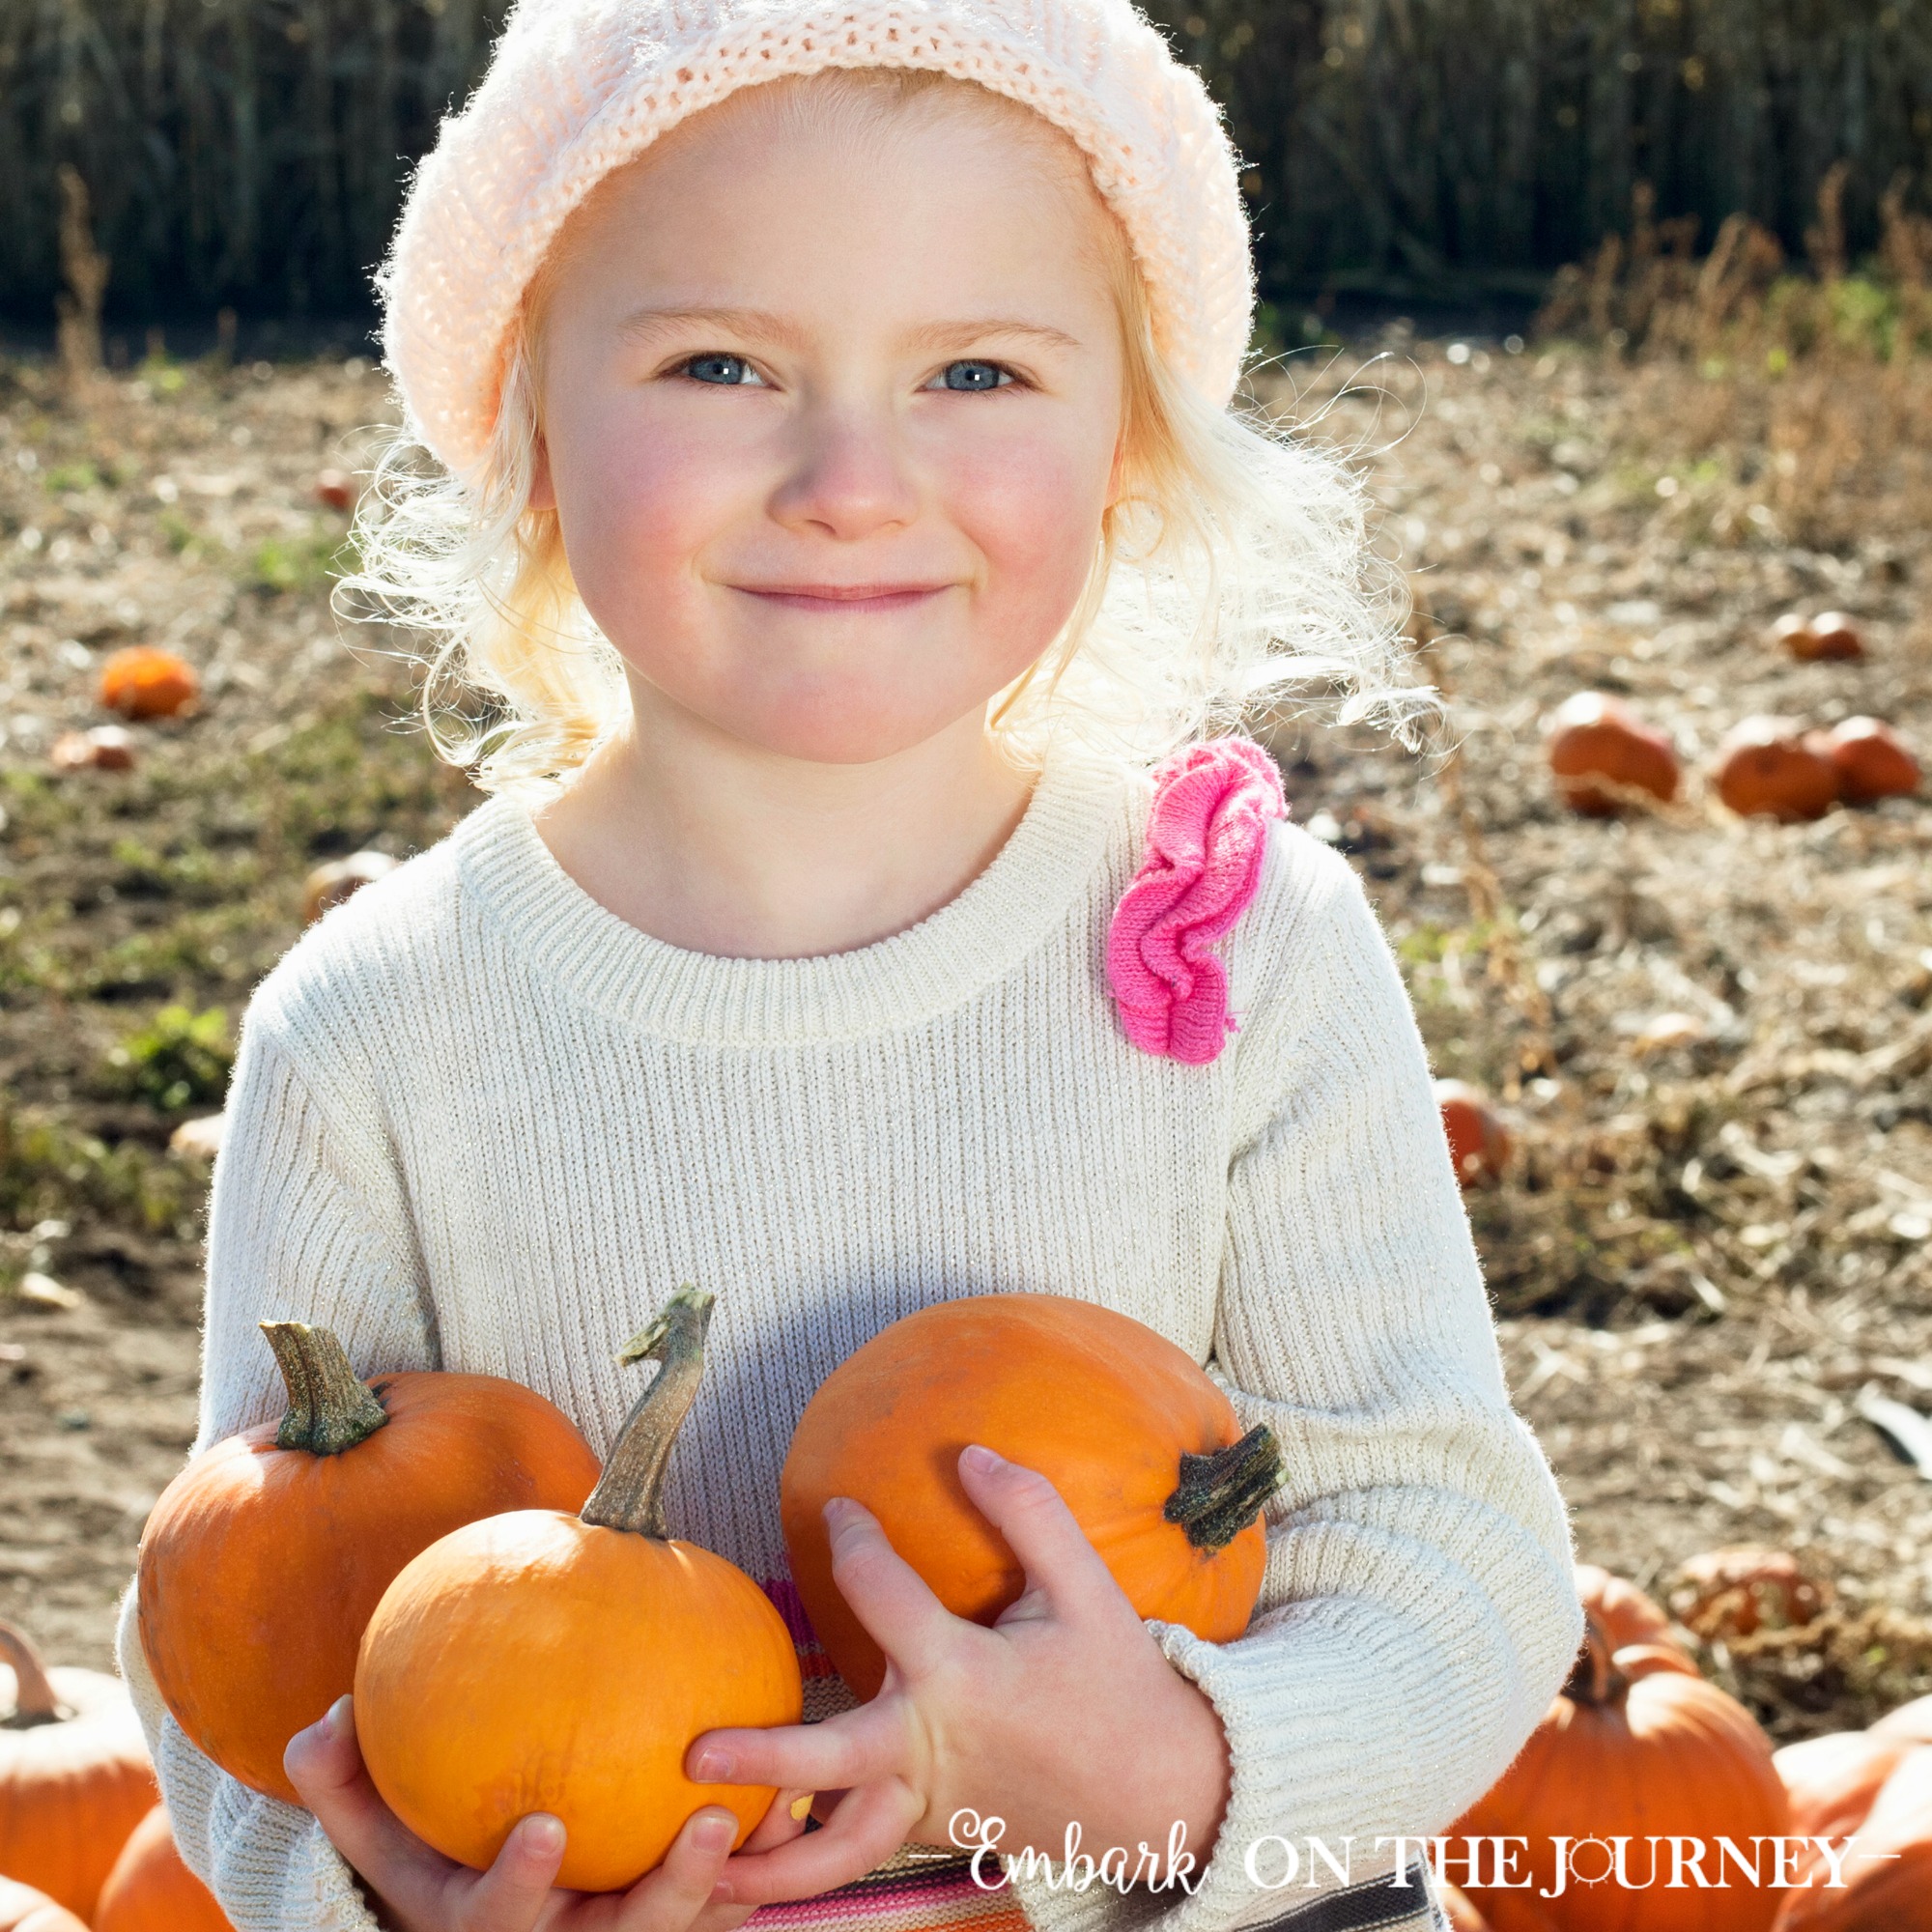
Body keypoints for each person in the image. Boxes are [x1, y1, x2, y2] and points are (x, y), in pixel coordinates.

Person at [115, 3, 1581, 1930]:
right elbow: (240, 1643)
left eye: (973, 369)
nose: (849, 480)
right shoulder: (381, 1027)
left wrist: (1169, 1772)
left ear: (1124, 453)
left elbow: (1438, 1548)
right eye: (721, 362)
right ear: (528, 433)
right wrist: (382, 1897)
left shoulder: (1250, 951)